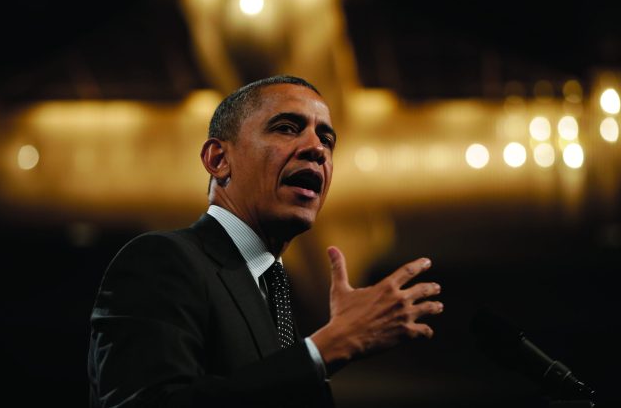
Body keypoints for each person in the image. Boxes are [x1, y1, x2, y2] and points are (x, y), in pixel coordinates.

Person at [87, 75, 443, 407]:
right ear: (219, 159)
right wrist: (325, 350)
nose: (317, 149)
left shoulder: (275, 295)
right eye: (287, 128)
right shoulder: (161, 261)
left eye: (327, 140)